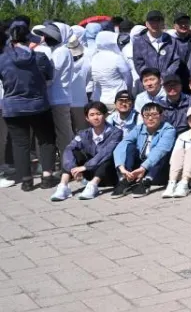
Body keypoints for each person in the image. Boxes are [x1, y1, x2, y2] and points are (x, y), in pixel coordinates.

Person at [0, 24, 57, 191]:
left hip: (13, 106)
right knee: (46, 140)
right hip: (38, 104)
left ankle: (26, 180)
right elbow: (49, 76)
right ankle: (47, 176)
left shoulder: (2, 59)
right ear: (28, 39)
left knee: (20, 144)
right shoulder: (40, 57)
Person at [50, 101, 123, 202]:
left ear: (105, 115)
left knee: (107, 156)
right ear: (87, 118)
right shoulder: (84, 133)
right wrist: (73, 169)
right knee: (72, 151)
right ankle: (63, 186)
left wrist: (85, 167)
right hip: (89, 173)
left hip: (108, 174)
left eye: (99, 114)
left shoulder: (116, 133)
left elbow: (106, 153)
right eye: (92, 115)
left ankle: (93, 185)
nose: (96, 117)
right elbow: (69, 148)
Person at [112, 101, 177, 197]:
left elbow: (161, 150)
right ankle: (127, 178)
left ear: (161, 116)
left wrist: (143, 168)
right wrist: (121, 167)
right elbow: (122, 144)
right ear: (142, 117)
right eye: (146, 115)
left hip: (157, 167)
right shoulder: (139, 128)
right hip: (140, 164)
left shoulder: (169, 129)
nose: (150, 118)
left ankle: (147, 181)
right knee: (129, 146)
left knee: (161, 153)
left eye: (154, 115)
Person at [39, 22, 76, 164]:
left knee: (64, 135)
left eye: (51, 35)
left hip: (58, 98)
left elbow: (52, 76)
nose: (47, 38)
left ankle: (68, 165)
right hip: (56, 98)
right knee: (60, 134)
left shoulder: (61, 52)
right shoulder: (57, 51)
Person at [90, 31, 132, 106]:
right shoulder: (117, 57)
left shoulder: (94, 57)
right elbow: (128, 77)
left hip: (99, 100)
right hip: (118, 99)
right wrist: (128, 92)